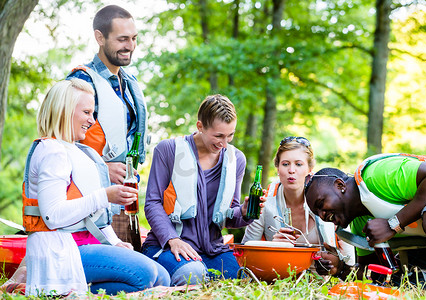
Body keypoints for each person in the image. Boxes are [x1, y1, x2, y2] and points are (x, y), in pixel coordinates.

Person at [23, 79, 169, 296]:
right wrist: (105, 195)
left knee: (162, 276)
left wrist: (115, 242)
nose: (92, 121)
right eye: (86, 112)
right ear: (64, 111)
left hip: (85, 245)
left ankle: (80, 292)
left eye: (93, 113)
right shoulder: (51, 151)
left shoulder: (81, 152)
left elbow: (94, 215)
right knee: (145, 274)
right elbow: (52, 216)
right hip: (60, 250)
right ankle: (68, 290)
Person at [141, 94, 260, 286]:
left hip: (212, 250)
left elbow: (230, 216)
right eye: (218, 136)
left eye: (230, 135)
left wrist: (245, 213)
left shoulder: (236, 159)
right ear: (200, 127)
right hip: (168, 246)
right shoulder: (168, 150)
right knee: (193, 274)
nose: (224, 143)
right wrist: (172, 239)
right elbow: (153, 203)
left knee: (239, 279)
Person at [66, 5, 147, 250]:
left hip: (124, 198)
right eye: (122, 39)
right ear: (100, 38)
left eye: (133, 39)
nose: (130, 46)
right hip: (90, 201)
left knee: (141, 273)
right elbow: (60, 142)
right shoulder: (81, 82)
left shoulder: (130, 84)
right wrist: (102, 167)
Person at [304, 153, 426, 283]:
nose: (322, 216)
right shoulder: (360, 223)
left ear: (340, 185)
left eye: (321, 203)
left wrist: (393, 224)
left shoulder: (377, 175)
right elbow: (377, 273)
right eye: (317, 213)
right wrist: (341, 268)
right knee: (406, 276)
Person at [242, 136, 354, 274]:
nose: (291, 170)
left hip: (321, 285)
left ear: (310, 169)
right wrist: (271, 247)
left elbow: (351, 264)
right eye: (285, 164)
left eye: (299, 164)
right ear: (277, 168)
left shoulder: (327, 200)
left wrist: (337, 264)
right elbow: (245, 258)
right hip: (277, 281)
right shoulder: (264, 202)